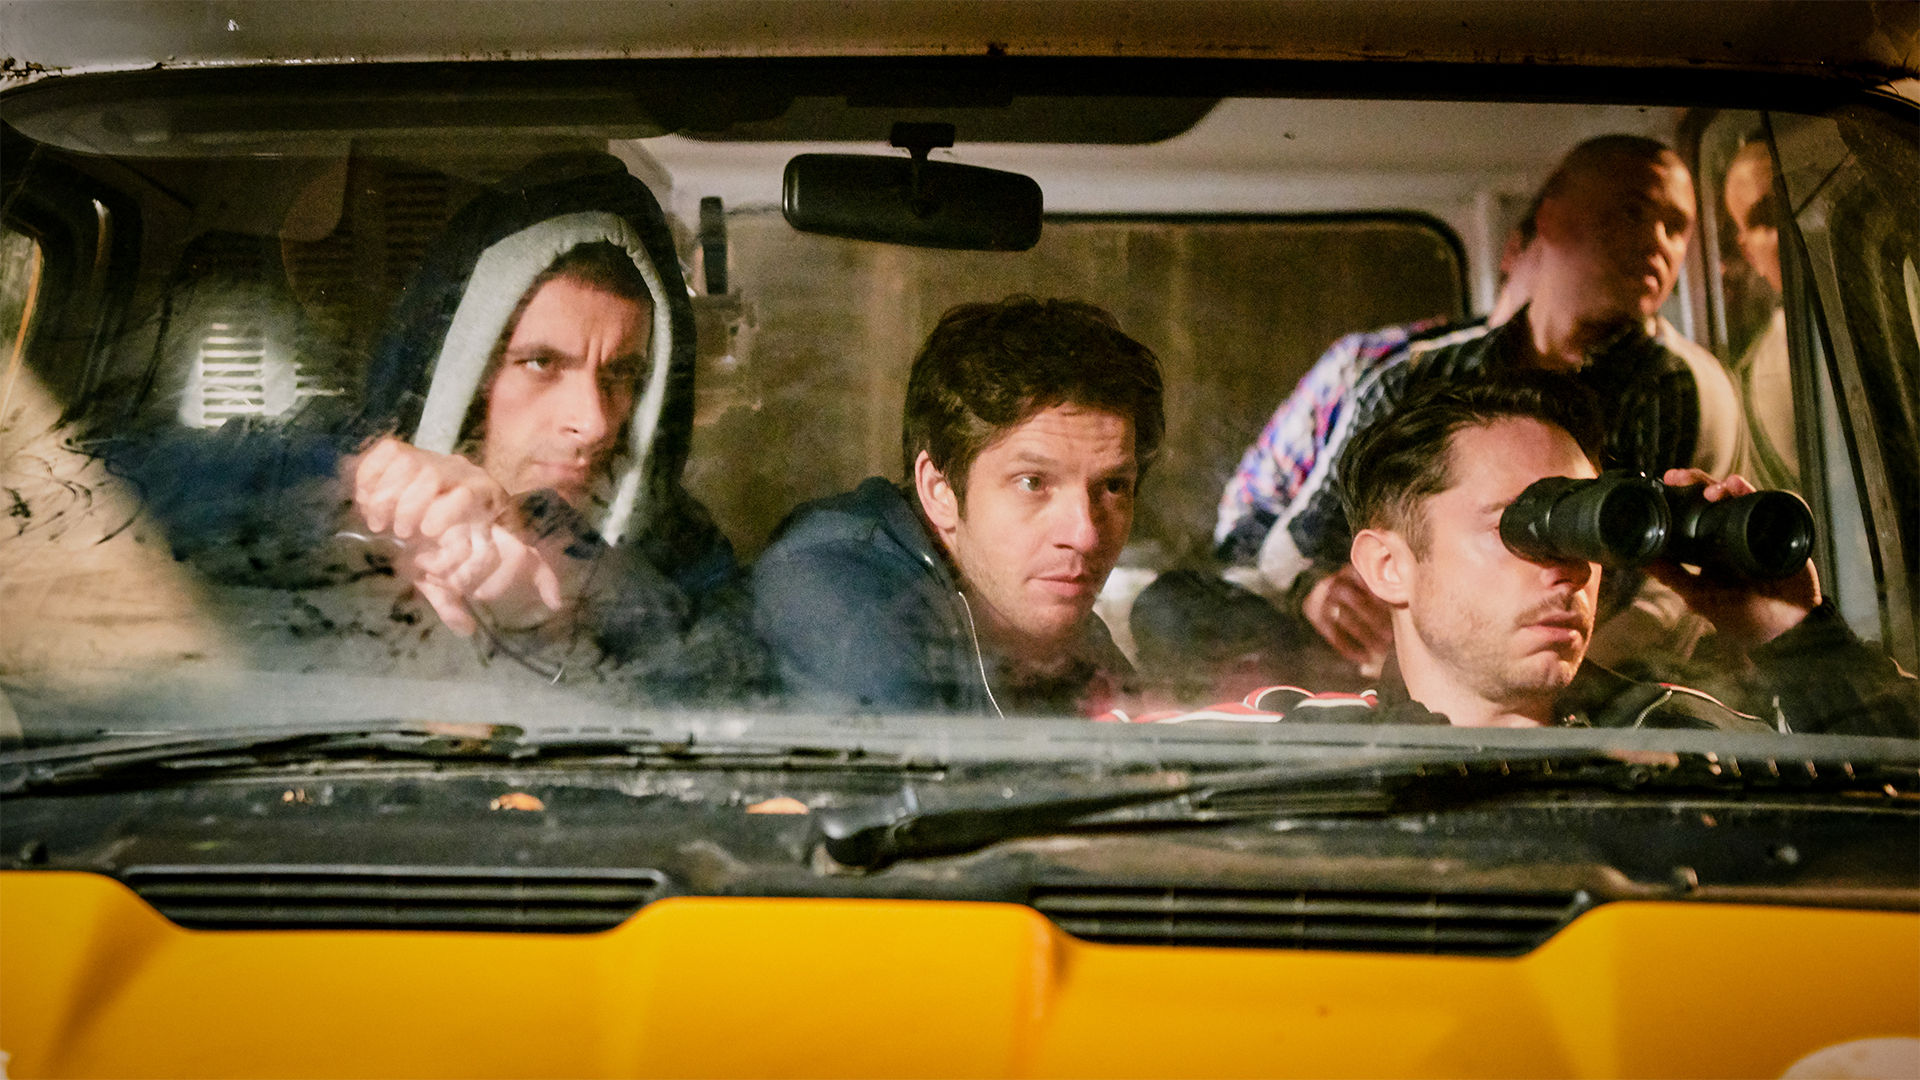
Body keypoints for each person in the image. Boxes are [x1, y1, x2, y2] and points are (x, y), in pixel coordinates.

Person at [112, 152, 758, 695]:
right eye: (540, 363)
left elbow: (738, 690)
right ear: (468, 370)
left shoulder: (679, 544)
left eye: (621, 374)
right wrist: (360, 491)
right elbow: (98, 488)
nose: (592, 422)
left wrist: (558, 591)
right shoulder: (340, 460)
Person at [1118, 376, 1916, 735]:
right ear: (1389, 566)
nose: (1565, 566)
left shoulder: (1686, 740)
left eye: (1582, 527)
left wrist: (1792, 635)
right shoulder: (1297, 752)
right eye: (1518, 525)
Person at [1243, 135, 1746, 675]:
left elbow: (1670, 599)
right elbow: (1293, 543)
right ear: (1550, 218)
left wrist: (1548, 676)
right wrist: (1315, 588)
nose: (1657, 241)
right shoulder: (1415, 377)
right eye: (1632, 212)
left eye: (1677, 227)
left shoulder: (1686, 391)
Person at [752, 296, 1163, 717]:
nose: (1085, 535)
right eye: (1033, 483)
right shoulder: (844, 592)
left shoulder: (1035, 608)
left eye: (1113, 486)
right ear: (939, 491)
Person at [1722, 138, 1799, 492]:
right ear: (1749, 253)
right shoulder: (1761, 381)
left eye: (1797, 198)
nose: (1795, 222)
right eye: (1766, 217)